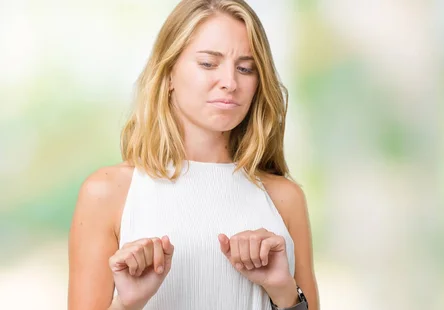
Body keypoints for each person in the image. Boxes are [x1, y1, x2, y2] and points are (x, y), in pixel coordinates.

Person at [67, 0, 319, 309]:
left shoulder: (284, 198)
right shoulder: (107, 193)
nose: (230, 82)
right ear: (169, 73)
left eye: (245, 68)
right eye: (208, 64)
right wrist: (126, 304)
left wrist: (283, 290)